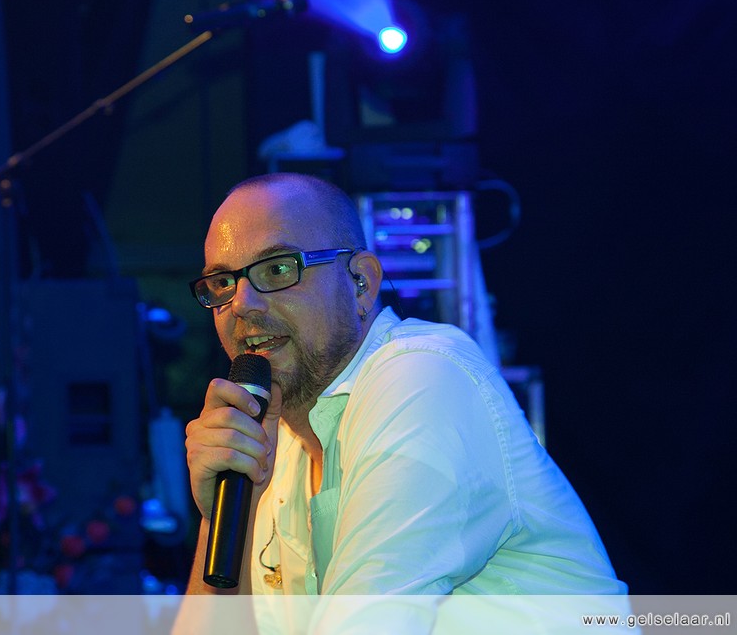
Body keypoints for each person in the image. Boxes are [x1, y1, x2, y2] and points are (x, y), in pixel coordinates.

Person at [177, 172, 625, 628]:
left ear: (362, 282)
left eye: (277, 269)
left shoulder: (422, 379)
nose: (241, 304)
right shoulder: (272, 444)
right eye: (222, 282)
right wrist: (220, 521)